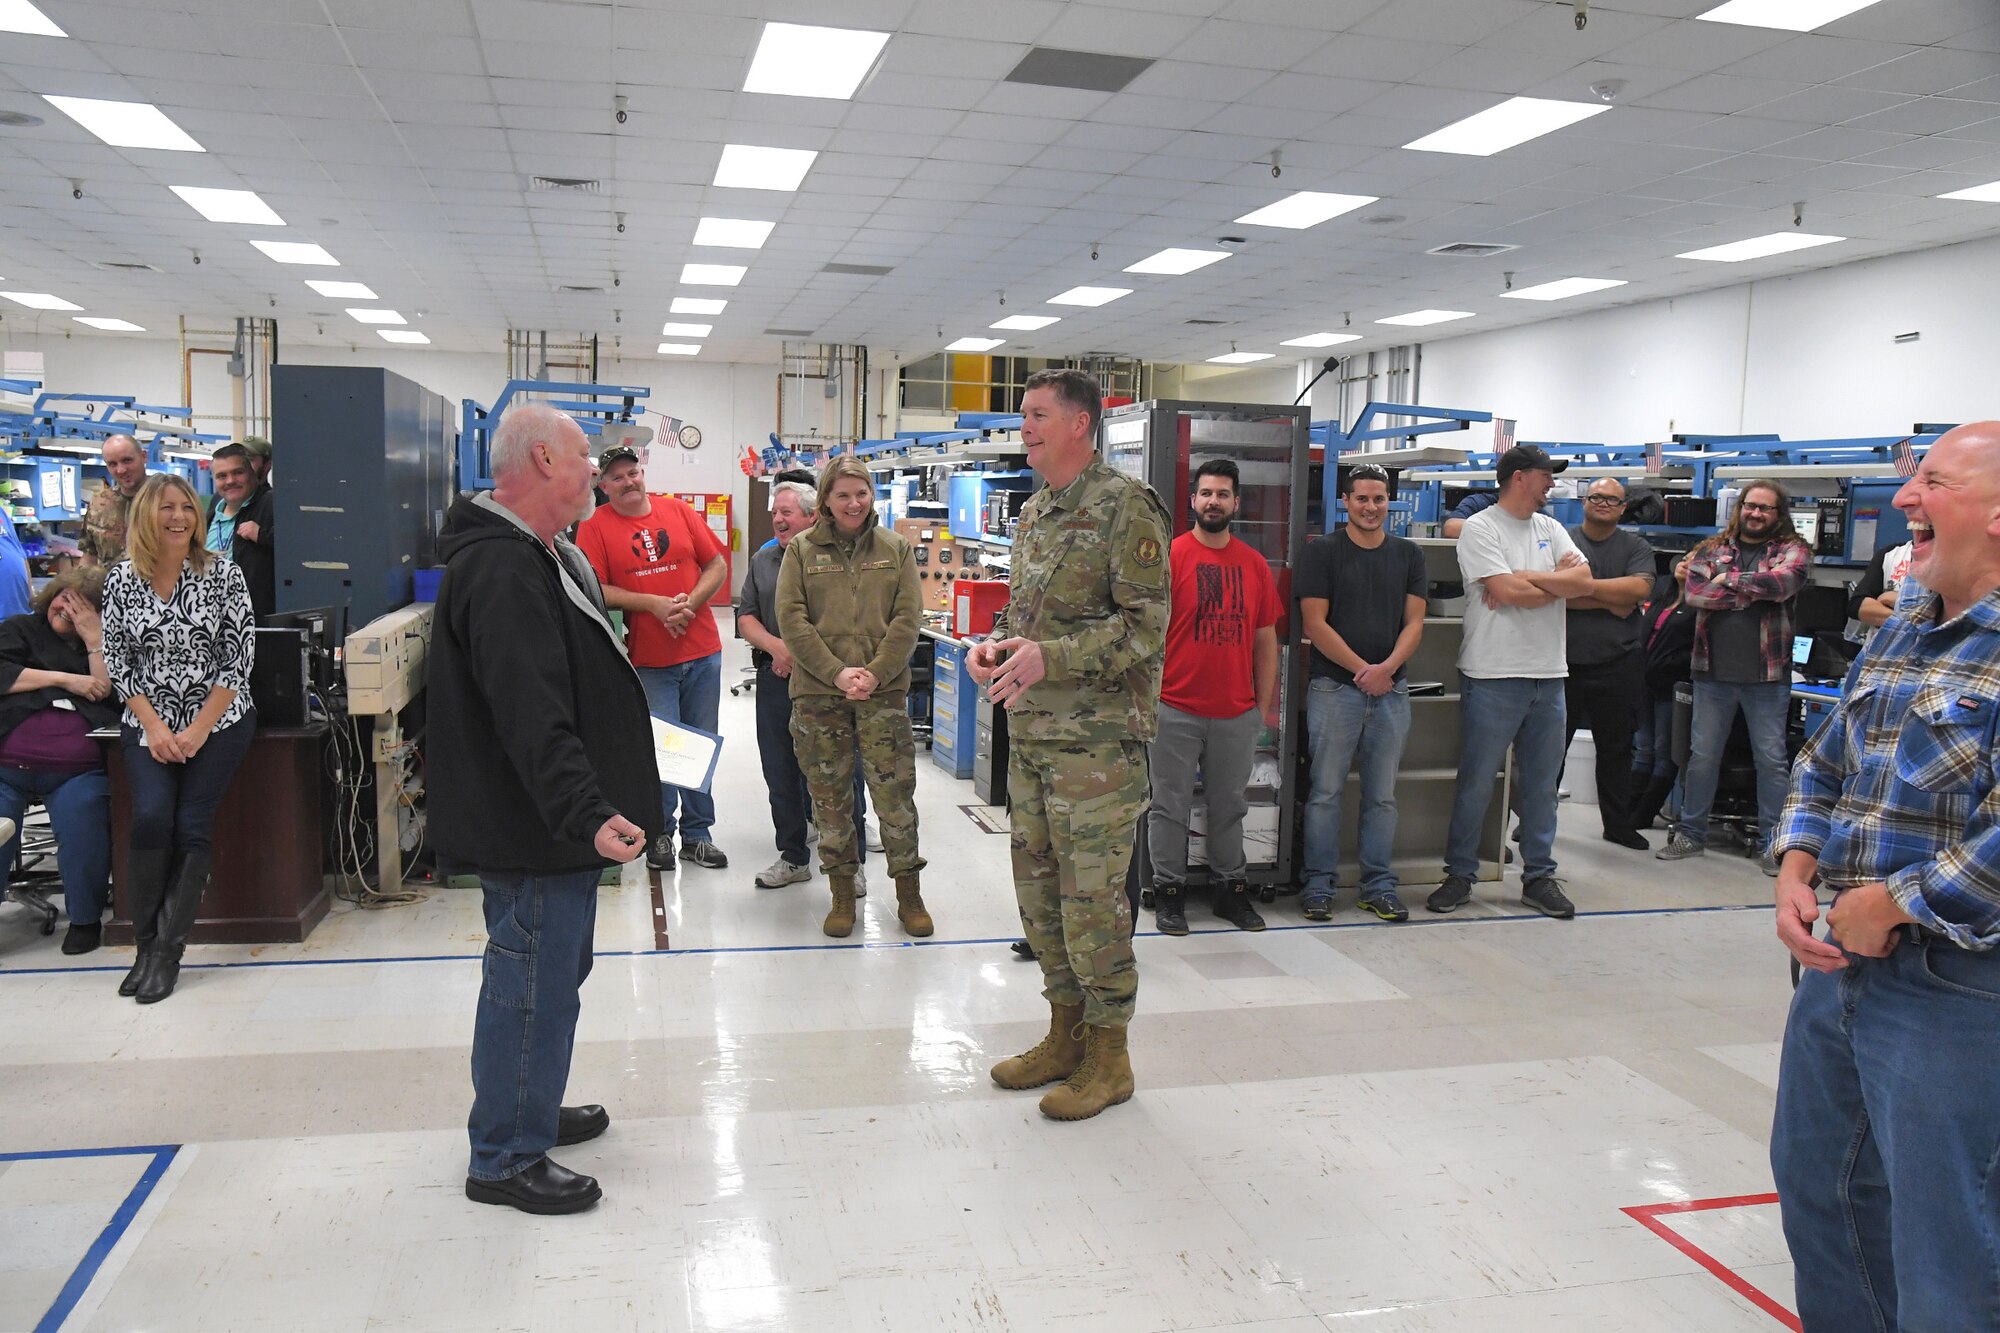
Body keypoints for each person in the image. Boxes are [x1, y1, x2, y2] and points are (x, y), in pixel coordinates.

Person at [1768, 421, 2000, 1331]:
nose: (1903, 499)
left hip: (1961, 987)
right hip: (1843, 965)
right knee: (1822, 1191)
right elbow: (1828, 759)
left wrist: (1892, 900)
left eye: (1931, 481)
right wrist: (1797, 861)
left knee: (1951, 1239)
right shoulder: (1908, 619)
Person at [428, 403, 657, 1217]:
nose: (597, 469)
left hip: (547, 819)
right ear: (543, 462)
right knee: (530, 981)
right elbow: (530, 711)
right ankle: (503, 1153)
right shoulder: (501, 568)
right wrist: (585, 808)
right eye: (585, 456)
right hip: (532, 822)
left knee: (554, 974)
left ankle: (526, 1100)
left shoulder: (542, 552)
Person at [971, 368, 1169, 1122]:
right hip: (1032, 740)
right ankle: (1065, 1034)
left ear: (1081, 424)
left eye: (1037, 415)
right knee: (1041, 897)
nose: (1025, 427)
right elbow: (1028, 619)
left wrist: (1050, 657)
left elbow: (1146, 629)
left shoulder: (1126, 509)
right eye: (1025, 415)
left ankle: (1110, 1056)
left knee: (1093, 903)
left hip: (1097, 752)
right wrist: (993, 647)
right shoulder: (1037, 511)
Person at [100, 474, 257, 1003]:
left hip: (219, 719)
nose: (178, 518)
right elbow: (118, 661)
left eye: (187, 508)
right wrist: (156, 726)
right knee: (149, 817)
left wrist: (196, 729)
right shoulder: (121, 580)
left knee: (191, 822)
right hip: (149, 722)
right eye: (167, 508)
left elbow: (238, 659)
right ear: (146, 515)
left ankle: (167, 955)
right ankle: (145, 945)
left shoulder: (224, 575)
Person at [1431, 445, 1595, 919]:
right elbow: (1505, 593)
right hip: (1493, 674)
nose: (1552, 484)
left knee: (1542, 786)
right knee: (1477, 780)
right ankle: (1460, 873)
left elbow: (1583, 582)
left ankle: (1539, 876)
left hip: (1549, 675)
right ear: (1520, 477)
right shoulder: (1481, 528)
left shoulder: (1551, 527)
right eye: (1547, 476)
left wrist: (1526, 579)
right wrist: (1546, 582)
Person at [774, 457, 931, 938]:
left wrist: (876, 674)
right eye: (842, 495)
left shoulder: (896, 549)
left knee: (895, 798)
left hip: (883, 698)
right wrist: (838, 674)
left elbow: (908, 618)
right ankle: (842, 894)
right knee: (831, 801)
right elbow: (792, 621)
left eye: (861, 493)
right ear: (825, 500)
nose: (853, 503)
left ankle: (909, 893)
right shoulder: (801, 551)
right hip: (819, 697)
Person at [574, 444, 730, 872]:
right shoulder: (595, 527)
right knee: (659, 749)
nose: (628, 482)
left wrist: (688, 605)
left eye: (633, 472)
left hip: (702, 652)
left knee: (700, 743)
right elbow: (596, 588)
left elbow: (715, 565)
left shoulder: (678, 511)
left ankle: (698, 835)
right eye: (617, 478)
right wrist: (654, 605)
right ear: (603, 486)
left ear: (642, 473)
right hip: (649, 660)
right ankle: (659, 832)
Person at [1146, 459, 1282, 936]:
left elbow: (1267, 641)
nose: (1213, 502)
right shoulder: (1170, 558)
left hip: (1235, 712)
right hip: (1174, 709)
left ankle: (1231, 892)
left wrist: (1260, 707)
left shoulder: (1254, 566)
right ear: (1193, 501)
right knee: (1169, 806)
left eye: (1223, 494)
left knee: (1231, 806)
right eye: (1206, 493)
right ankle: (1169, 894)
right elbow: (1146, 634)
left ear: (1236, 504)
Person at [1656, 479, 1812, 874]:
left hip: (1768, 676)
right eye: (1750, 506)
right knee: (1702, 757)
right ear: (1740, 508)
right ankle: (1691, 834)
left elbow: (1782, 584)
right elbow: (1694, 593)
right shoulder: (1712, 548)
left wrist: (1725, 580)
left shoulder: (1793, 549)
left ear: (1779, 514)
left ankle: (1772, 845)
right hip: (1712, 672)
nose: (1756, 514)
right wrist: (1749, 590)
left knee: (1772, 761)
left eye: (1765, 508)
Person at [1297, 463, 1427, 923]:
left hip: (1392, 691)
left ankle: (1378, 886)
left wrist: (1387, 670)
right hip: (1336, 689)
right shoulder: (1323, 552)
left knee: (1382, 796)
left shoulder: (1408, 555)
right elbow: (1315, 624)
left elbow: (1414, 622)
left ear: (1388, 501)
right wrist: (1363, 671)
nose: (1371, 507)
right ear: (1346, 502)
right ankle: (1317, 886)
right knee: (1325, 792)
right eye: (1362, 499)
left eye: (1378, 498)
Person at [738, 478, 869, 892]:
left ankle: (852, 862)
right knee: (779, 771)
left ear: (812, 516)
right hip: (776, 682)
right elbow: (746, 616)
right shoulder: (763, 561)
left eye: (786, 512)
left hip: (827, 685)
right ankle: (794, 856)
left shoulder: (834, 559)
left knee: (843, 772)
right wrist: (777, 648)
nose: (777, 519)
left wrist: (809, 659)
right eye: (775, 512)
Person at [0, 567, 119, 954]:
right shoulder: (20, 628)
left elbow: (106, 692)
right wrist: (67, 680)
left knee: (85, 817)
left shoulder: (101, 643)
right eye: (63, 598)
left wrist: (94, 639)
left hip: (75, 771)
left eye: (81, 606)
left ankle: (84, 919)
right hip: (6, 767)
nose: (67, 609)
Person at [1562, 479, 1658, 850]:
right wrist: (1610, 600)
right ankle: (1536, 822)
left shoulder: (1635, 546)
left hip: (1619, 663)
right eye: (1596, 497)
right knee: (1549, 749)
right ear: (1584, 501)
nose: (1603, 503)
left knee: (1617, 749)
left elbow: (1638, 591)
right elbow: (1552, 592)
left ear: (1622, 508)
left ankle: (1617, 825)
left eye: (1612, 500)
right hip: (1563, 664)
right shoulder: (1563, 540)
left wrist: (1579, 588)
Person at [1630, 573, 1695, 833]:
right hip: (1645, 682)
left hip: (1672, 685)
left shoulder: (1697, 606)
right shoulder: (1662, 598)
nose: (1685, 562)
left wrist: (1668, 665)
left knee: (1665, 750)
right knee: (1644, 747)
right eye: (1684, 558)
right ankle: (1628, 809)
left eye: (1693, 559)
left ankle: (1644, 813)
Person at [206, 443, 276, 621]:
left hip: (253, 622)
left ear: (251, 473)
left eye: (238, 472)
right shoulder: (214, 508)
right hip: (211, 619)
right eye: (222, 476)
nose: (230, 481)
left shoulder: (270, 504)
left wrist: (262, 536)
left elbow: (299, 545)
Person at [81, 433, 146, 567]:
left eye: (127, 460)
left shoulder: (167, 500)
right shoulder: (98, 505)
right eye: (112, 464)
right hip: (107, 585)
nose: (121, 470)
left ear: (143, 456)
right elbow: (89, 556)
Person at [1848, 536, 1916, 640]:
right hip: (1879, 651)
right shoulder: (1891, 554)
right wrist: (1911, 624)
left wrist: (1897, 600)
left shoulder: (1947, 561)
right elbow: (1857, 606)